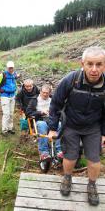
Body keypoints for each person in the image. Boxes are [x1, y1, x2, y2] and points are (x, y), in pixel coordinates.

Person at [48, 46, 105, 206]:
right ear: (83, 64)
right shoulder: (71, 79)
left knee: (94, 159)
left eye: (99, 64)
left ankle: (92, 185)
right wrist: (53, 127)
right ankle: (67, 178)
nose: (94, 69)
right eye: (90, 64)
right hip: (71, 125)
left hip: (93, 127)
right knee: (70, 156)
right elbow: (56, 103)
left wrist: (104, 132)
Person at [26, 84, 62, 172]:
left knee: (60, 125)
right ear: (40, 92)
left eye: (47, 93)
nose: (45, 94)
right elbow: (28, 112)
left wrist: (55, 113)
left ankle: (59, 150)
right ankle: (44, 152)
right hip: (40, 120)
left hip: (52, 120)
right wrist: (40, 112)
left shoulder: (53, 100)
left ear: (50, 93)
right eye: (43, 92)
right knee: (42, 125)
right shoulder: (35, 100)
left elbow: (59, 110)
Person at [0, 61, 19, 136]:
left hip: (12, 96)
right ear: (7, 67)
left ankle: (10, 128)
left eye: (12, 68)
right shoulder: (3, 75)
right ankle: (4, 130)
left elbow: (15, 83)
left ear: (13, 67)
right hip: (5, 96)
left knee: (11, 113)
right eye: (9, 68)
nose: (10, 69)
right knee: (6, 114)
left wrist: (16, 92)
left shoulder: (14, 74)